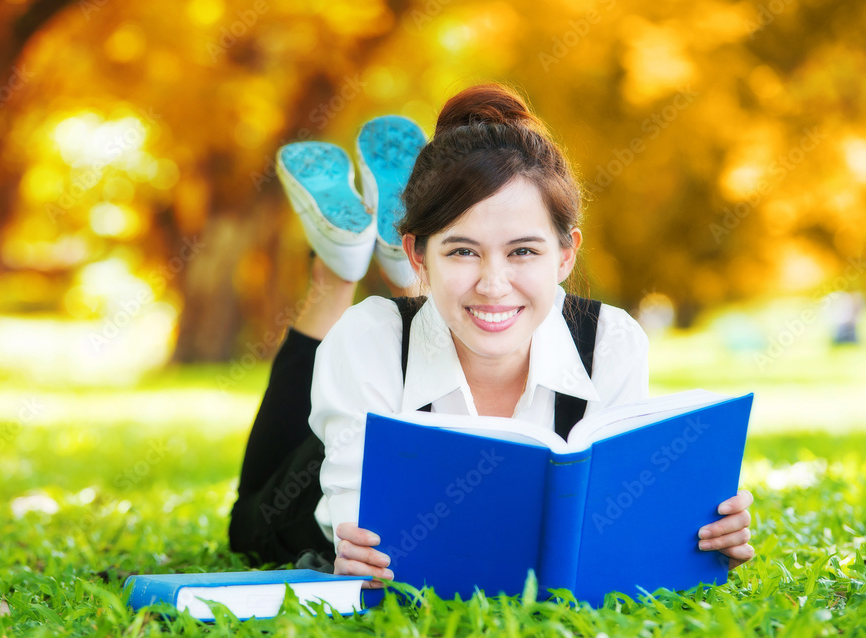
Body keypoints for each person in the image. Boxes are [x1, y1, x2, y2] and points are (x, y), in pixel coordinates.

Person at [229, 84, 755, 591]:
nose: (495, 283)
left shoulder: (611, 340)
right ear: (420, 253)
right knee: (247, 522)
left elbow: (617, 509)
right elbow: (360, 521)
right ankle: (338, 273)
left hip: (425, 310)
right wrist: (358, 548)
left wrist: (697, 537)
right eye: (462, 250)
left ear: (565, 254)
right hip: (312, 491)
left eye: (523, 251)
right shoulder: (367, 337)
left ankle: (416, 263)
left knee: (453, 308)